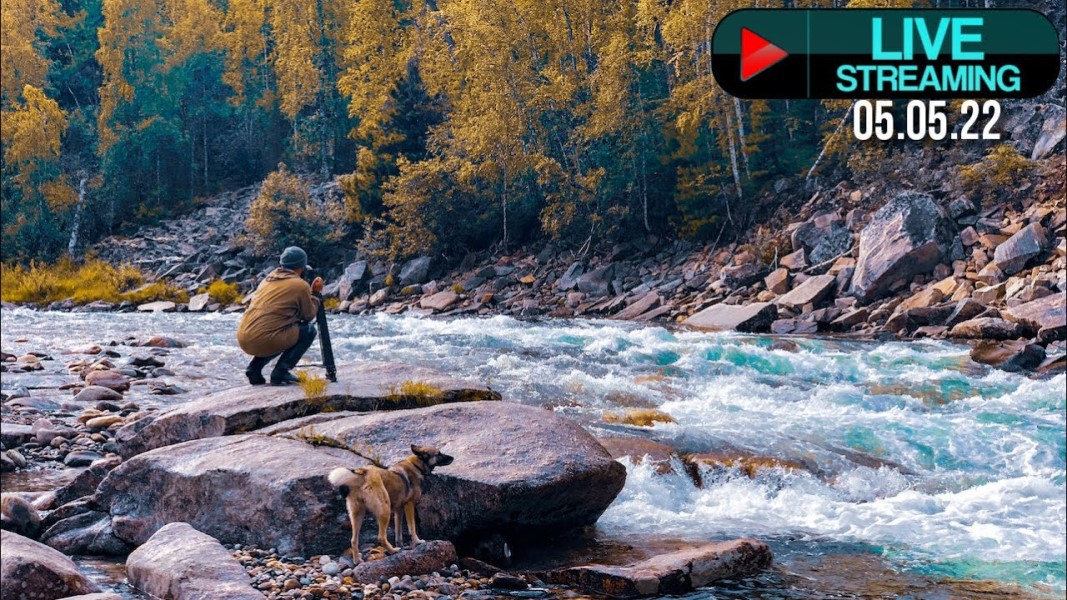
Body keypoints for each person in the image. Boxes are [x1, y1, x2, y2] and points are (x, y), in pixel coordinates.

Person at [237, 246, 324, 385]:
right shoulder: (300, 285)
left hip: (244, 338)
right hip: (267, 340)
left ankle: (254, 368)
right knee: (308, 330)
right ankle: (281, 372)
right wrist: (315, 294)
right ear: (302, 267)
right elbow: (308, 316)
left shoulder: (267, 279)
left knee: (276, 330)